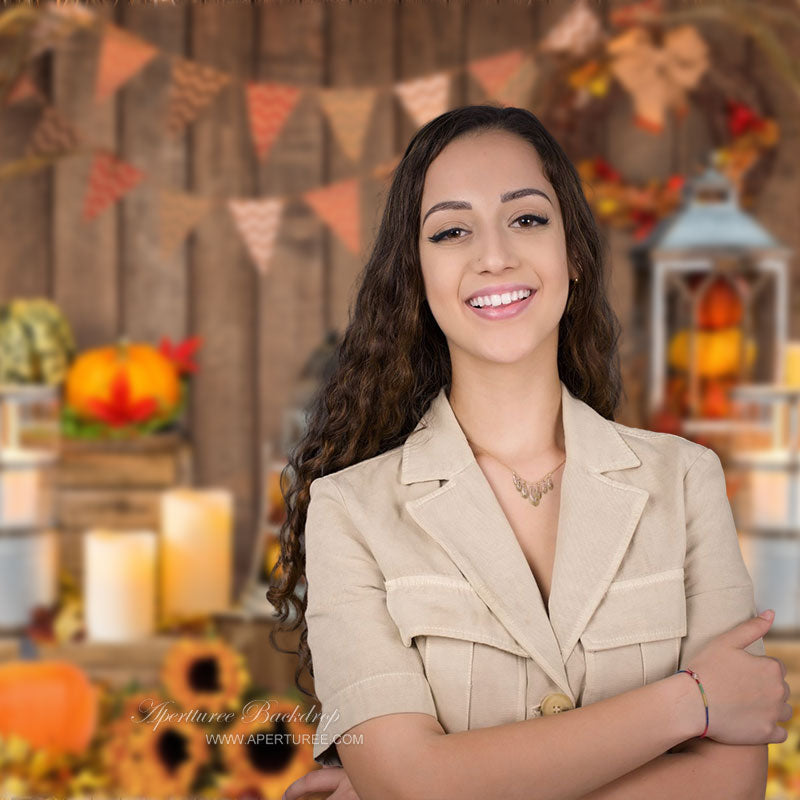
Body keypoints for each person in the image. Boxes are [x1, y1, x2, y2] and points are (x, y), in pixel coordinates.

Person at [269, 105, 791, 800]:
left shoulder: (686, 481)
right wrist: (690, 702)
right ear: (417, 277)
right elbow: (409, 785)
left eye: (527, 219)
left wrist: (440, 783)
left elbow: (731, 786)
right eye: (452, 231)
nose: (495, 256)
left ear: (572, 252)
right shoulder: (348, 512)